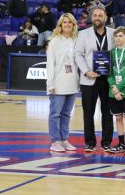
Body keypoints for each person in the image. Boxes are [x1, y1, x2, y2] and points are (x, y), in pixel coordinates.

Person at [75, 7, 115, 152]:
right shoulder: (83, 34)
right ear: (92, 17)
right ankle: (90, 142)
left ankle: (106, 142)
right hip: (89, 79)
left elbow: (117, 53)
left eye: (100, 15)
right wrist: (86, 71)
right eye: (95, 15)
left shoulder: (113, 33)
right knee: (88, 112)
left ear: (105, 17)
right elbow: (78, 54)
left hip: (108, 79)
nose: (97, 17)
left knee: (108, 112)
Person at [46, 13, 79, 152]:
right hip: (58, 83)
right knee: (55, 114)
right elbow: (50, 64)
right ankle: (55, 141)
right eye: (64, 22)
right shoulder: (54, 41)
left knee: (66, 114)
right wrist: (50, 84)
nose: (67, 25)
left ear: (73, 25)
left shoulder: (76, 40)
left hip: (72, 83)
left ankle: (64, 140)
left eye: (69, 22)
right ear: (60, 25)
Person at [107, 27, 125, 155]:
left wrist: (118, 88)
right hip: (113, 92)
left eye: (120, 36)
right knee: (118, 117)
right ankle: (121, 143)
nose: (118, 38)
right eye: (116, 36)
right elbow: (108, 73)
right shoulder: (111, 53)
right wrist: (114, 88)